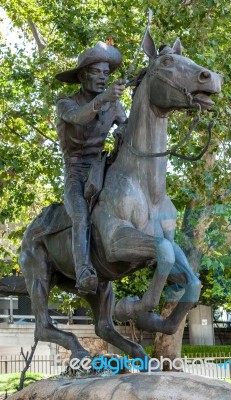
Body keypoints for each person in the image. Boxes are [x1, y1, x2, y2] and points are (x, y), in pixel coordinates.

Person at [55, 42, 127, 295]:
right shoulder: (66, 103)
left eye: (106, 74)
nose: (103, 78)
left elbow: (127, 128)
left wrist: (123, 131)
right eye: (97, 72)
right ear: (83, 75)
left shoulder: (115, 106)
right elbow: (79, 117)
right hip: (76, 172)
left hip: (101, 168)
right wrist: (103, 99)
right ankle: (83, 270)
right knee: (80, 216)